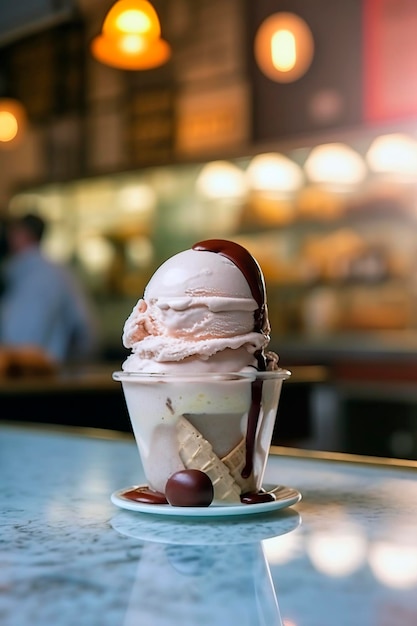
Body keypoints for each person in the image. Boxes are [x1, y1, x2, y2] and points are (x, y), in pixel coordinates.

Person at [0, 213, 98, 364]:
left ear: (20, 235)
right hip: (55, 373)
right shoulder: (62, 274)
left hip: (17, 372)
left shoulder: (13, 275)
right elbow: (87, 331)